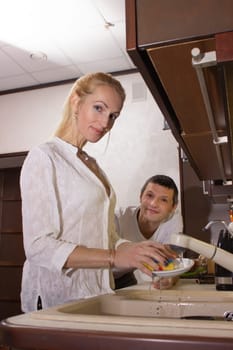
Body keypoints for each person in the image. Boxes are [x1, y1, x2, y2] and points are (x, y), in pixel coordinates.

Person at [20, 72, 176, 313]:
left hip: (94, 293)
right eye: (99, 108)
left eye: (113, 116)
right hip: (57, 298)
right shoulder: (45, 156)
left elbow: (107, 236)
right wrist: (114, 256)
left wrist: (140, 252)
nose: (105, 124)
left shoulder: (93, 166)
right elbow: (38, 246)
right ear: (76, 101)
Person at [115, 174, 183, 289]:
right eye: (149, 195)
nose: (153, 204)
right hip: (102, 276)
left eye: (163, 200)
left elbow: (171, 261)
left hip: (125, 276)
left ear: (173, 207)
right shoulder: (118, 218)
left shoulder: (173, 220)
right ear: (140, 197)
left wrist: (169, 278)